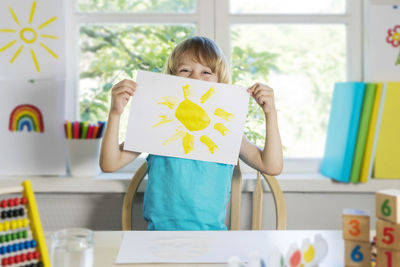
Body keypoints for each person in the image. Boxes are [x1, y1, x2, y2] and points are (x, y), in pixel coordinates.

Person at [100, 36, 283, 230]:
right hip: (157, 236)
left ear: (220, 82)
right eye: (185, 70)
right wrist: (115, 113)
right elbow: (110, 163)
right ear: (170, 77)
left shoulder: (227, 131)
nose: (195, 78)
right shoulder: (156, 124)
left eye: (206, 72)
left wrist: (271, 114)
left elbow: (271, 166)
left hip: (211, 237)